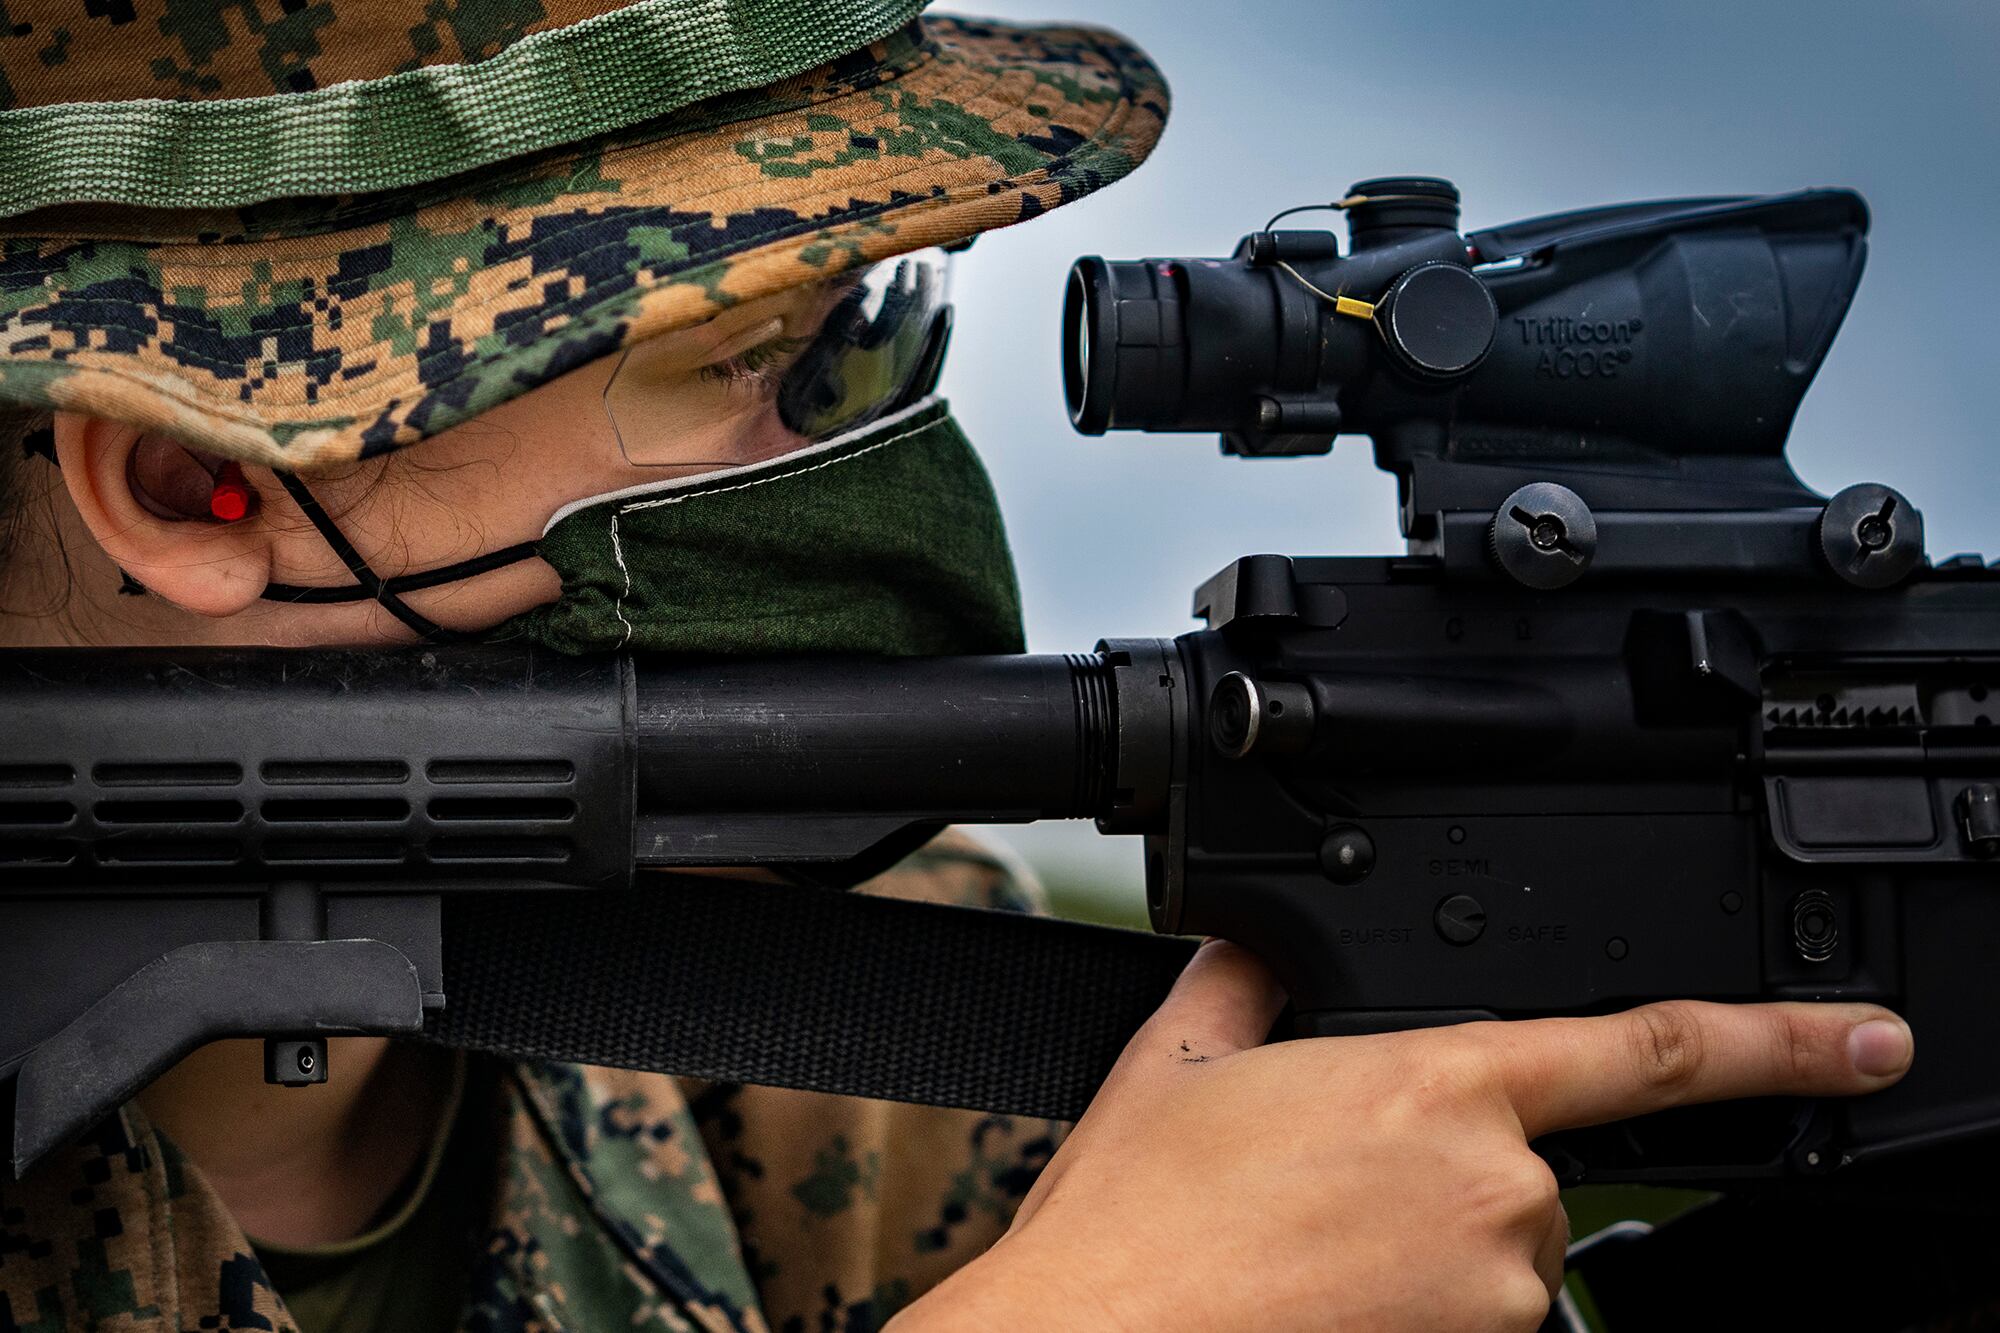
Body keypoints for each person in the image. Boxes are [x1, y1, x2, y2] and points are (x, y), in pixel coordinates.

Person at [0, 3, 1914, 1329]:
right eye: (741, 367)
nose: (863, 468)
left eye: (864, 346)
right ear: (199, 479)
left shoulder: (877, 1055)